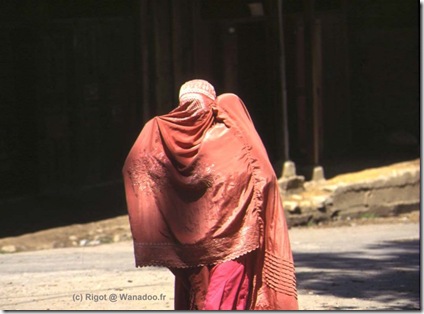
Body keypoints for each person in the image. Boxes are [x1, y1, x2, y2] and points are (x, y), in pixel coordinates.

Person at [122, 79, 298, 310]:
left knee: (213, 299)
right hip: (228, 239)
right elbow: (264, 178)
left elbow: (136, 165)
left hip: (218, 242)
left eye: (195, 104)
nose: (192, 112)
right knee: (215, 298)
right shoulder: (226, 138)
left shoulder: (184, 137)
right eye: (186, 105)